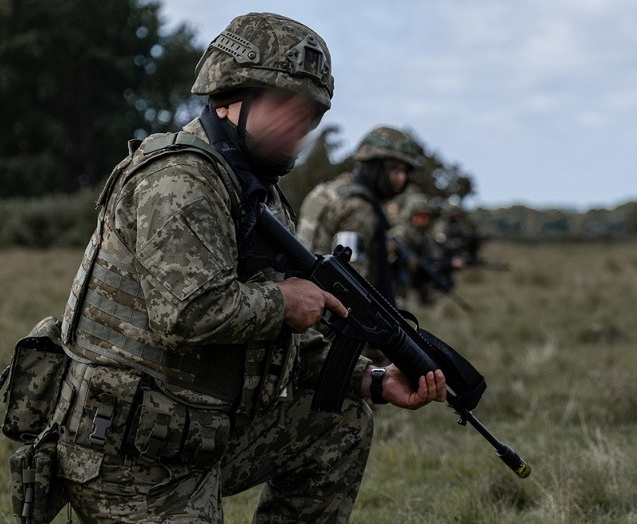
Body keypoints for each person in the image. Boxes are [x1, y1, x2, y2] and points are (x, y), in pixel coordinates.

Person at [51, 12, 445, 522]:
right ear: (229, 97)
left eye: (311, 116)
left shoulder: (257, 194)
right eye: (287, 107)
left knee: (341, 418)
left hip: (197, 432)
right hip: (127, 456)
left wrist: (371, 380)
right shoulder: (180, 180)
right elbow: (188, 313)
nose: (299, 127)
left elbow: (283, 348)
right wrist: (285, 300)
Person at [295, 125, 422, 308]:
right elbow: (352, 283)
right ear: (374, 165)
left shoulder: (331, 189)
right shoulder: (359, 208)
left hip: (304, 300)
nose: (401, 178)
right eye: (394, 169)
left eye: (405, 171)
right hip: (324, 317)